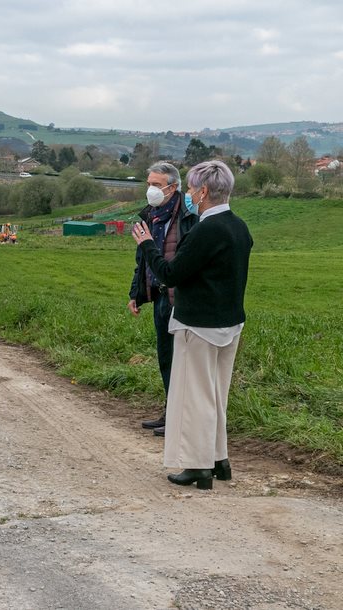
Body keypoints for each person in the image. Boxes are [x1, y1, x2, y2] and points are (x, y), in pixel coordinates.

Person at [131, 160, 252, 489]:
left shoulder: (205, 229)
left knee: (196, 396)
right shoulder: (239, 226)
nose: (190, 194)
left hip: (199, 325)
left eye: (193, 188)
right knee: (216, 395)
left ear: (204, 191)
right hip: (230, 323)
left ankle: (198, 467)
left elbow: (171, 274)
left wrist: (146, 245)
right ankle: (218, 459)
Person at [128, 162, 198, 437]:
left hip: (178, 296)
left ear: (173, 187)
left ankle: (181, 418)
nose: (151, 190)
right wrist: (136, 292)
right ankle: (171, 411)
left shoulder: (188, 216)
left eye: (157, 185)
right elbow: (143, 257)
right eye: (149, 184)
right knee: (166, 358)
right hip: (158, 295)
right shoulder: (151, 215)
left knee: (182, 360)